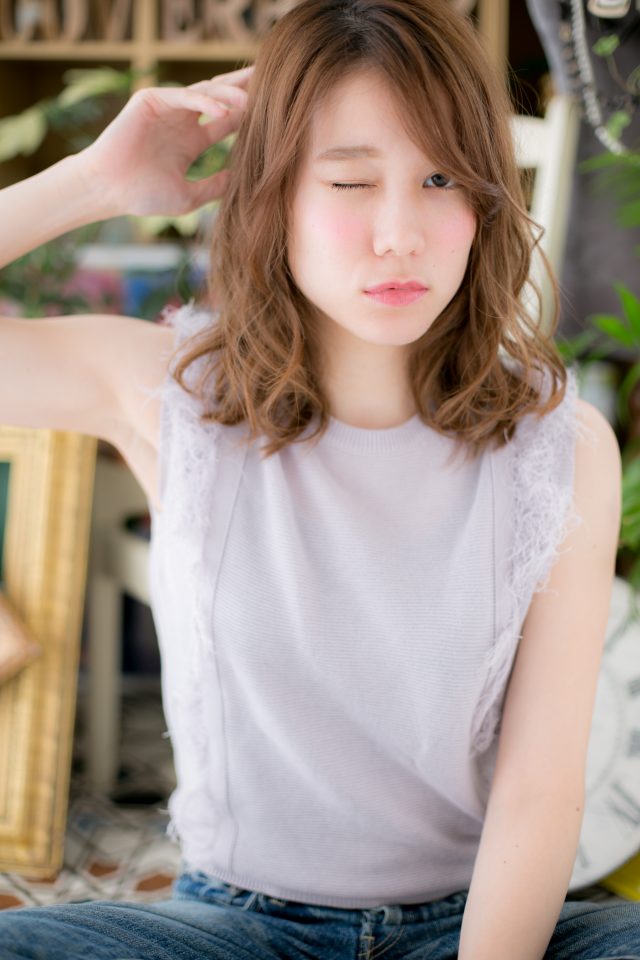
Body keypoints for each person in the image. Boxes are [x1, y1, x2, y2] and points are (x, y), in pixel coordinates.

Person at [0, 0, 633, 957]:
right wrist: (94, 182)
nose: (399, 233)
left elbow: (540, 789)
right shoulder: (172, 396)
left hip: (472, 928)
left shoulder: (559, 446)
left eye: (440, 179)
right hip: (234, 929)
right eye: (350, 181)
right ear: (276, 197)